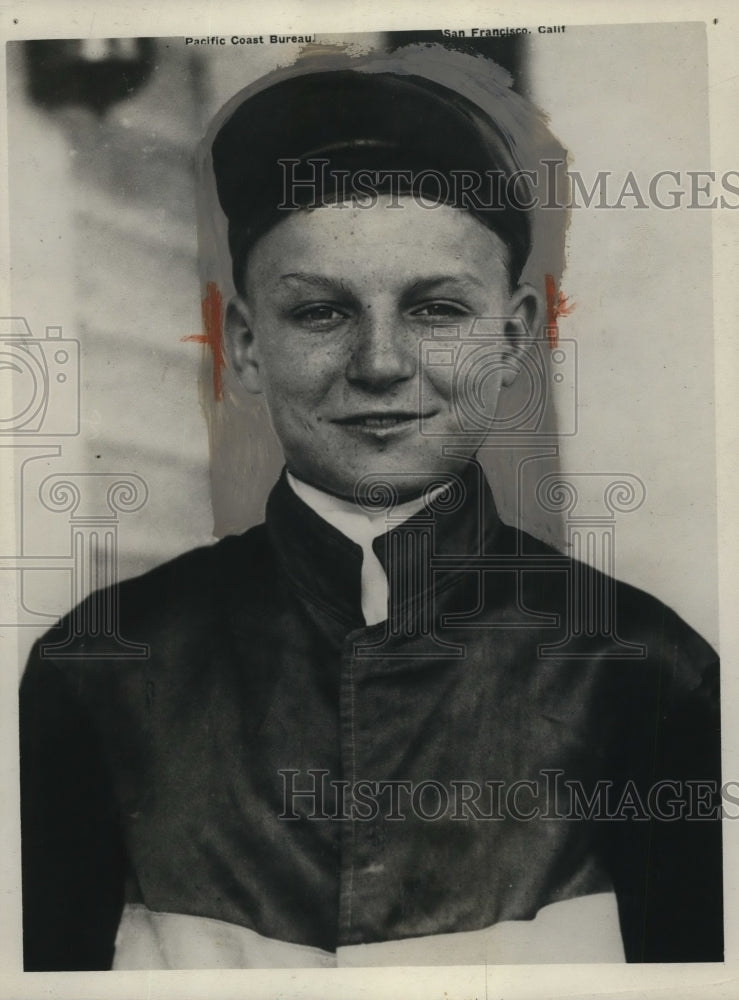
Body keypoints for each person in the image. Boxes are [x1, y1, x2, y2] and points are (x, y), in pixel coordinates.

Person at [19, 44, 722, 971]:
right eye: (320, 313)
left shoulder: (642, 674)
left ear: (511, 338)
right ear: (244, 343)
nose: (381, 363)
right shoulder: (96, 672)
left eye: (435, 310)